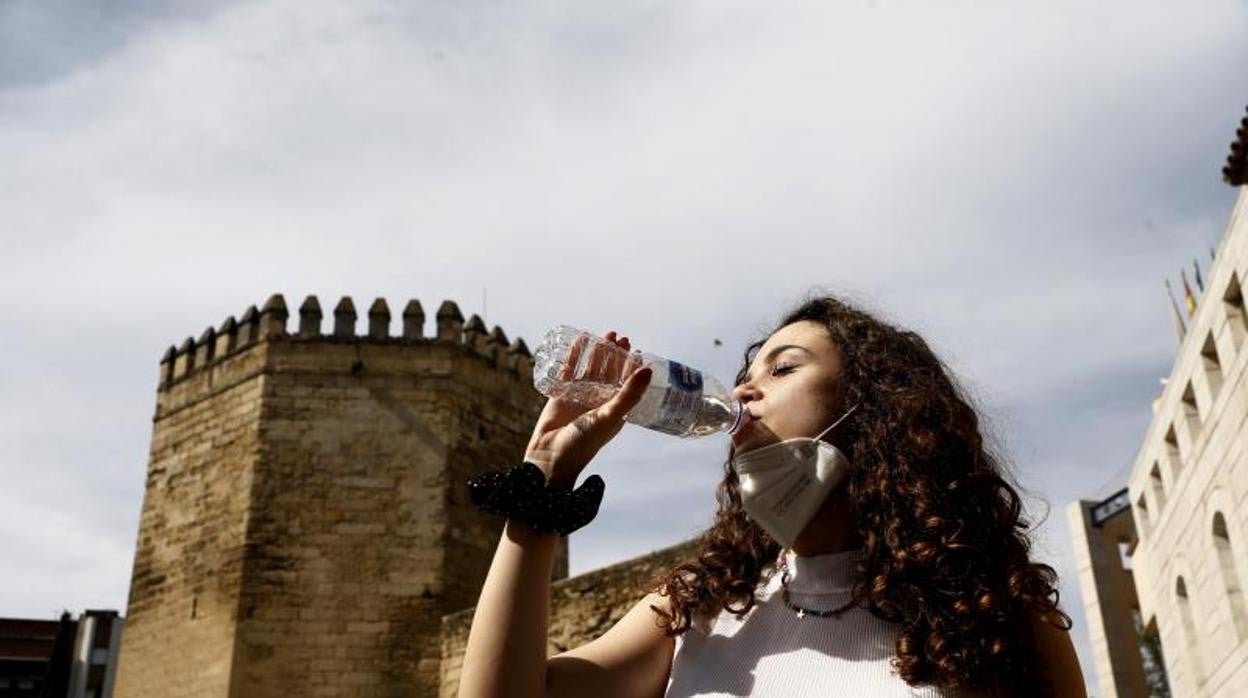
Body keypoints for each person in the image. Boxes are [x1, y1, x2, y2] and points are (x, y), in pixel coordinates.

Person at [457, 295, 1086, 697]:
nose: (741, 396)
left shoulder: (995, 614)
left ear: (874, 410)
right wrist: (542, 486)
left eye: (782, 369)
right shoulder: (696, 609)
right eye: (741, 380)